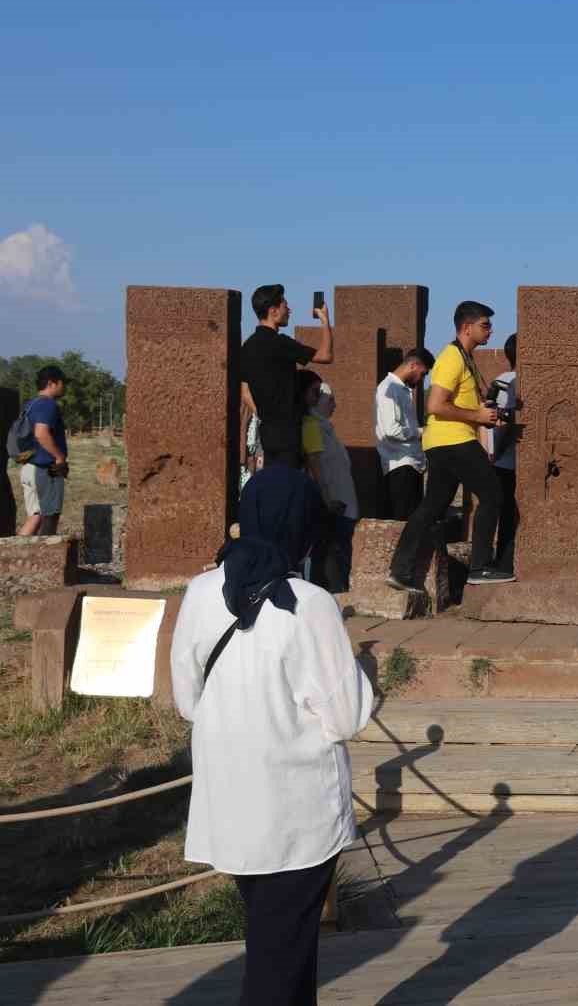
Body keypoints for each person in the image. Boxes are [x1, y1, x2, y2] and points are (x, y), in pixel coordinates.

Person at [170, 464, 374, 1004]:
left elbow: (189, 700)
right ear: (304, 527)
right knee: (279, 957)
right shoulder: (310, 605)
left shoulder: (199, 591)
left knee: (280, 943)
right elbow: (346, 717)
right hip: (295, 812)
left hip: (229, 800)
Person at [388, 301, 514, 591]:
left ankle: (400, 570)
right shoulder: (451, 358)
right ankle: (480, 568)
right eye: (485, 325)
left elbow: (457, 403)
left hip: (445, 441)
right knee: (492, 494)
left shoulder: (465, 358)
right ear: (466, 327)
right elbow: (436, 404)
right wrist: (477, 416)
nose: (490, 330)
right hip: (453, 440)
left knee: (432, 505)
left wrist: (484, 414)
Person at [238, 284, 332, 466]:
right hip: (288, 431)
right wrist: (324, 320)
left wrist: (266, 414)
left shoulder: (247, 347)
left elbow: (245, 392)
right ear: (273, 311)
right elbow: (326, 355)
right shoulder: (281, 343)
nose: (289, 310)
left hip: (267, 431)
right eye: (285, 306)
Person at [303, 381, 359, 592]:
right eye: (330, 400)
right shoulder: (312, 426)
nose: (335, 405)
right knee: (329, 554)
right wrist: (328, 500)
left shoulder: (326, 428)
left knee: (339, 552)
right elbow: (317, 468)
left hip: (343, 503)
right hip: (332, 503)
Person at [375, 348, 434, 520]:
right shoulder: (388, 388)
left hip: (411, 464)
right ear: (413, 365)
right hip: (400, 466)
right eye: (423, 374)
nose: (422, 379)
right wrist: (423, 431)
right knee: (404, 524)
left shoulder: (400, 389)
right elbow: (390, 430)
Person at [18, 365, 69, 537]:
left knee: (35, 517)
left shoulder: (30, 404)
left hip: (29, 467)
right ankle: (47, 561)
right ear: (51, 383)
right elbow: (41, 433)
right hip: (45, 470)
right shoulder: (48, 404)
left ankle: (12, 559)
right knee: (50, 516)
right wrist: (59, 457)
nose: (65, 387)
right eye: (63, 382)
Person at [486, 332, 520, 573]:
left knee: (508, 516)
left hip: (502, 460)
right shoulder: (511, 381)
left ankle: (505, 562)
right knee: (510, 515)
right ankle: (505, 563)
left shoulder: (501, 379)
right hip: (508, 460)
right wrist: (497, 452)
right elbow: (508, 423)